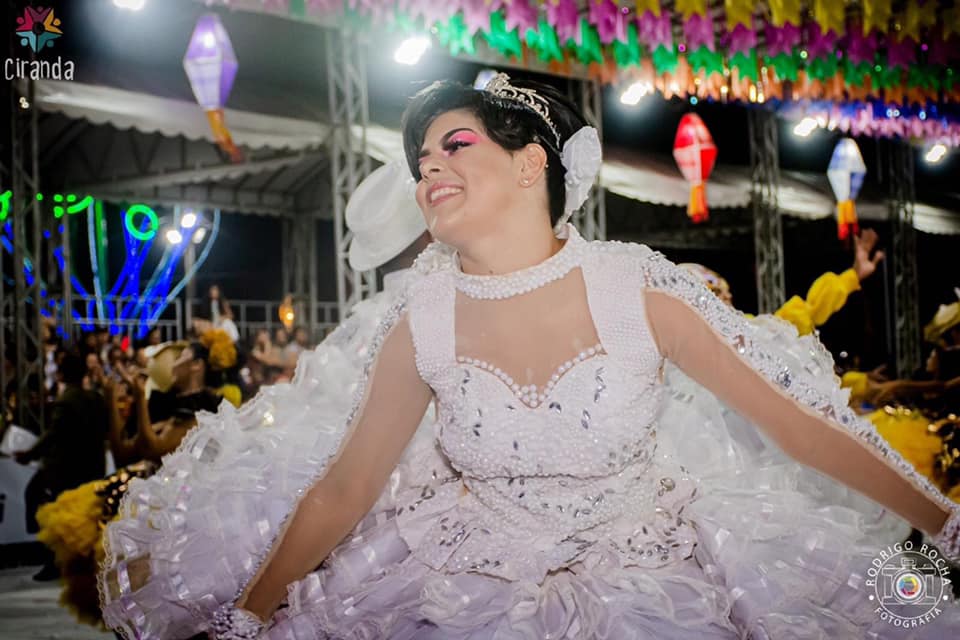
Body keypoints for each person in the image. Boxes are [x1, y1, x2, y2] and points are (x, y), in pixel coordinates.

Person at [99, 76, 960, 639]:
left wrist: (945, 522)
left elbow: (799, 428)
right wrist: (248, 616)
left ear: (529, 164)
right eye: (421, 161)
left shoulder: (634, 289)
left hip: (659, 575)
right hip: (458, 580)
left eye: (454, 146)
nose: (429, 171)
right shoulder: (422, 318)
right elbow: (345, 489)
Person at [15, 353, 107, 580]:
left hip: (65, 469)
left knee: (44, 505)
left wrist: (29, 454)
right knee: (85, 515)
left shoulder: (66, 401)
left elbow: (53, 435)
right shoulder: (96, 399)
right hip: (93, 467)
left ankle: (55, 561)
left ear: (62, 373)